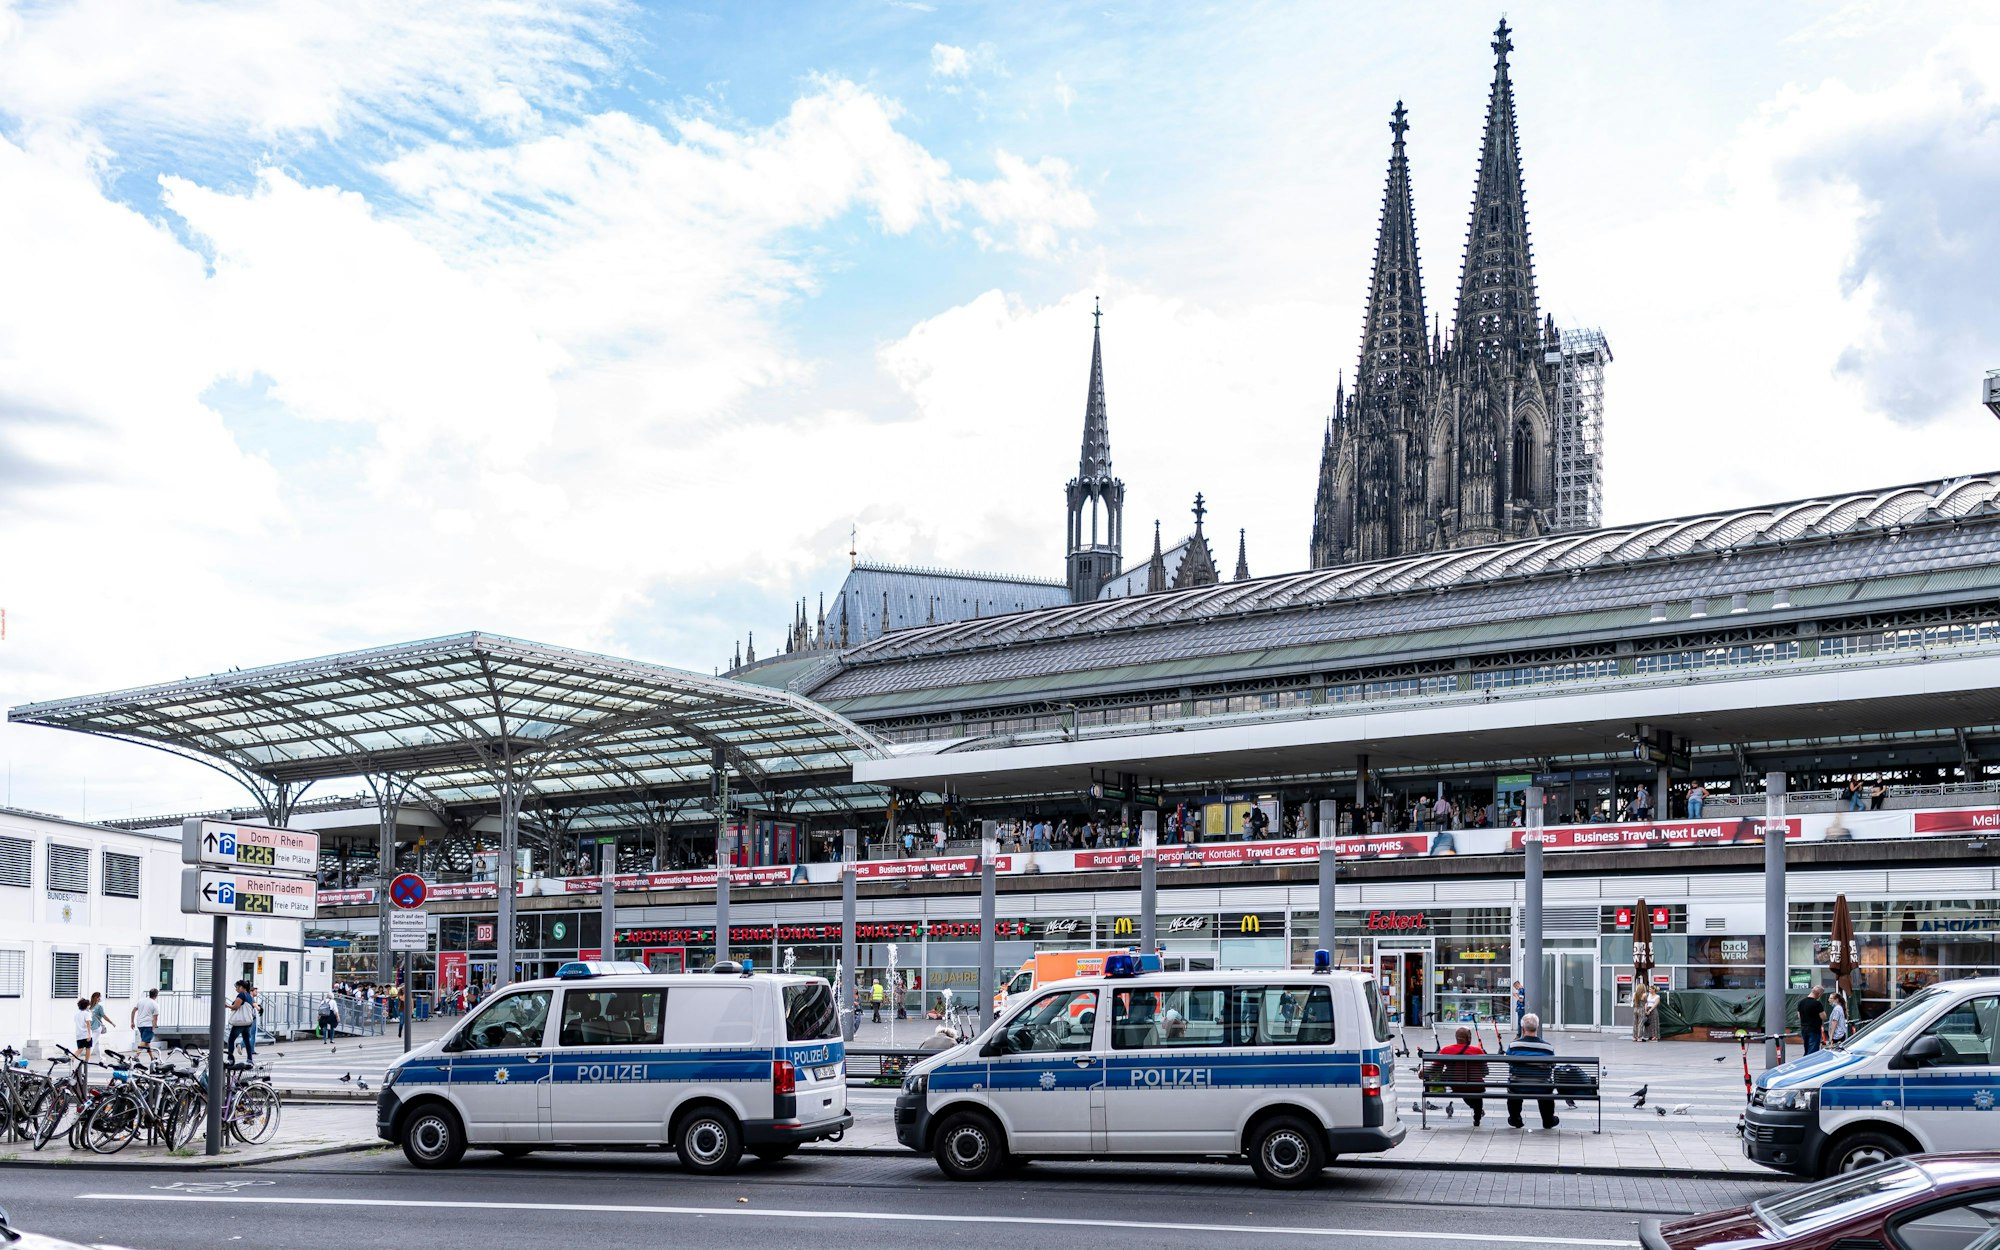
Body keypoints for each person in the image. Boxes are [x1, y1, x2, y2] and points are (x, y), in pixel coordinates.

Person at [1505, 1013, 1559, 1130]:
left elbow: (1508, 1060)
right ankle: (1548, 1120)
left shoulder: (1514, 1045)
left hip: (1518, 1085)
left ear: (1523, 1028)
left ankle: (1515, 1119)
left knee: (1513, 1087)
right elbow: (1552, 1064)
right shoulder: (1548, 1048)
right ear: (1537, 1027)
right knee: (1546, 1087)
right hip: (1542, 1086)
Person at [1437, 1025, 1487, 1127]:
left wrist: (1422, 1072)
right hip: (1476, 1086)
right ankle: (1477, 1116)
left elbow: (1435, 1069)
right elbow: (1485, 1072)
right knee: (1474, 1090)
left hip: (1456, 1085)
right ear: (1468, 1038)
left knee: (1464, 1088)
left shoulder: (1446, 1050)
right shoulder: (1477, 1051)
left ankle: (1477, 1112)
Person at [227, 980, 259, 1064]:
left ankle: (230, 1059)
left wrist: (227, 1005)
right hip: (248, 1022)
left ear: (241, 987)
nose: (236, 989)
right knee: (247, 1041)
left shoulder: (241, 995)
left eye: (237, 987)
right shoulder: (249, 995)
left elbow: (235, 1007)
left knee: (231, 1040)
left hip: (239, 1022)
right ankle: (250, 1059)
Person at [131, 988, 160, 1060]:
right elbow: (155, 1017)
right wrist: (153, 1027)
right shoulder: (155, 1004)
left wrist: (132, 1022)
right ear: (156, 995)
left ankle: (152, 1057)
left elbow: (133, 1011)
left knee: (146, 1042)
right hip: (148, 1025)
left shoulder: (141, 1001)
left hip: (140, 1024)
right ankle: (136, 1056)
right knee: (144, 1041)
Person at [1798, 984, 1827, 1055]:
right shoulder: (1817, 1003)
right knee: (1812, 1052)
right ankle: (1809, 1065)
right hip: (1814, 1030)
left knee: (1807, 1049)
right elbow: (1823, 1017)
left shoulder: (1801, 1002)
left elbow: (1799, 1016)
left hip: (1804, 1029)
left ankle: (1804, 1064)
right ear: (1819, 994)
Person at [73, 997, 95, 1061]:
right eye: (88, 1005)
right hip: (86, 1034)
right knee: (88, 1048)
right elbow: (88, 1024)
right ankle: (86, 1062)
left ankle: (72, 1059)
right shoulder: (87, 1013)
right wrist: (89, 1035)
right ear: (86, 1006)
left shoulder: (77, 1014)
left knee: (80, 1049)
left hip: (79, 1035)